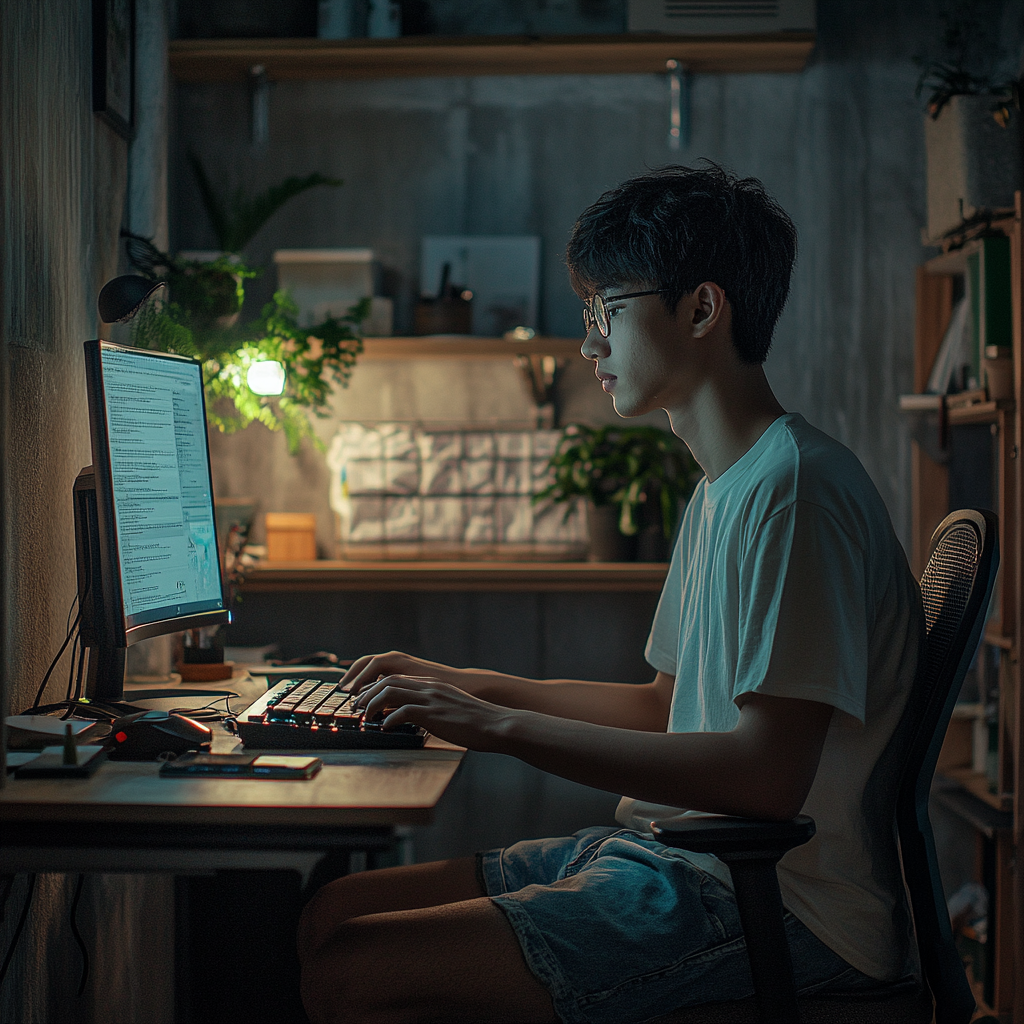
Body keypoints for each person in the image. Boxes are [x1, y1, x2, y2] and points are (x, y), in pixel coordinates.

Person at [297, 163, 923, 1024]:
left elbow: (768, 777)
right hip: (678, 855)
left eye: (606, 313)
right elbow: (664, 707)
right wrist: (459, 686)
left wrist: (499, 729)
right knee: (333, 913)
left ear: (701, 310)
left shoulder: (796, 492)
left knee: (352, 969)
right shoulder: (724, 488)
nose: (589, 345)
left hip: (781, 903)